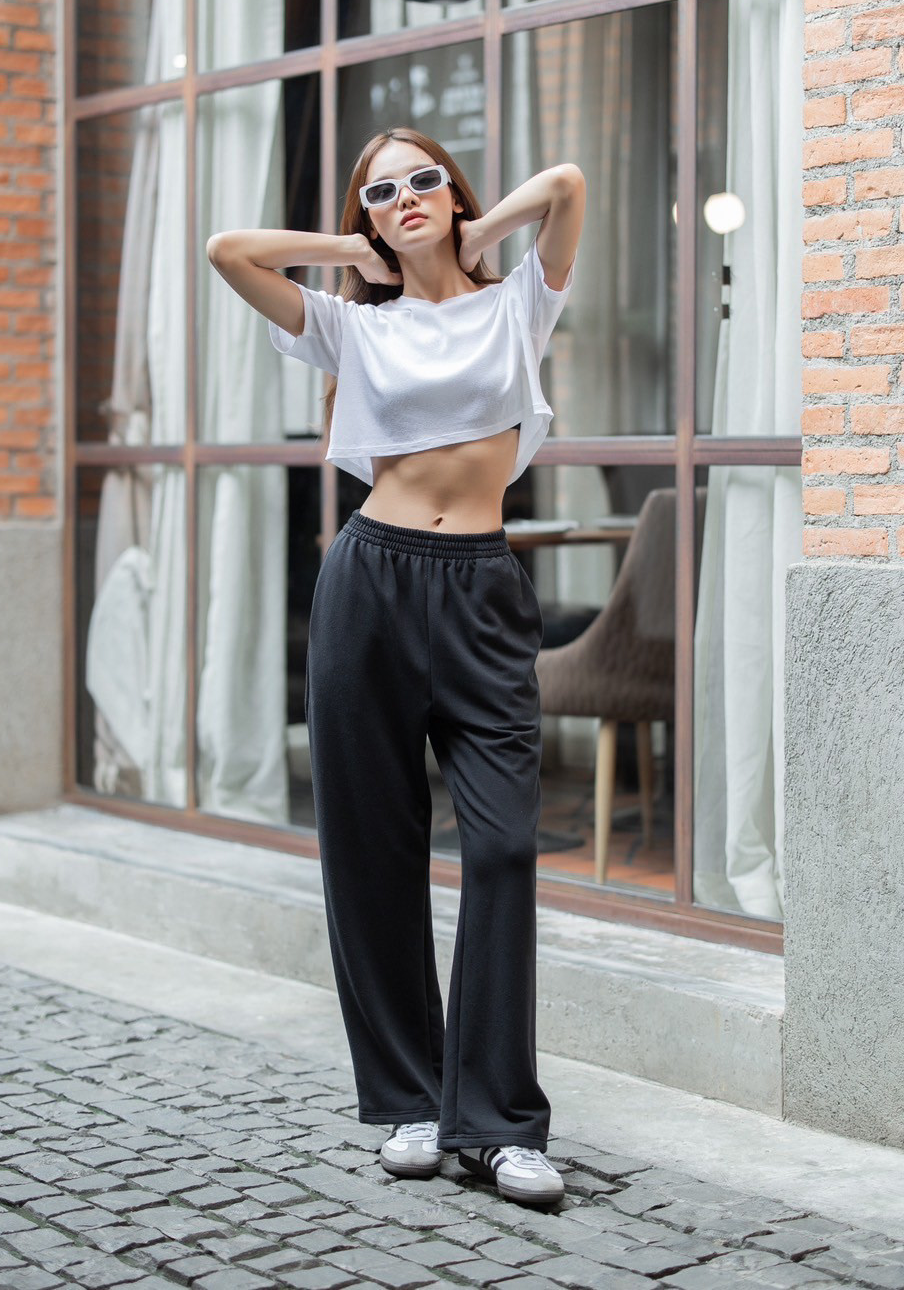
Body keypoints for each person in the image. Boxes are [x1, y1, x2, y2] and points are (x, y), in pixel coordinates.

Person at [206, 127, 585, 1208]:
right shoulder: (351, 326)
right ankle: (414, 1102)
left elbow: (565, 185)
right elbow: (229, 252)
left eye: (423, 180)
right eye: (382, 191)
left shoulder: (516, 303)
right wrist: (352, 249)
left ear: (453, 192)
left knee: (501, 847)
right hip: (368, 583)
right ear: (365, 216)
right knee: (371, 851)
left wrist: (473, 231)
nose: (405, 197)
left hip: (481, 590)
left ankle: (498, 1121)